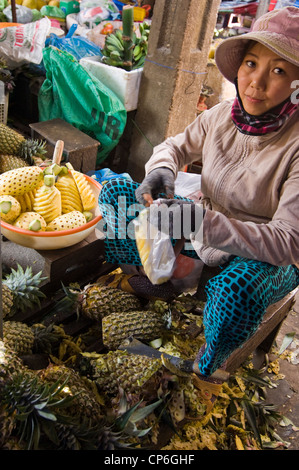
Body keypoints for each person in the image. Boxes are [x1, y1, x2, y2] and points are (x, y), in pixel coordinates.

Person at [98, 7, 299, 394]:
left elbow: (289, 241)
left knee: (236, 289)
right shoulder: (222, 115)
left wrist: (198, 223)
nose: (254, 82)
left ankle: (208, 367)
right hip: (202, 228)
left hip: (263, 257)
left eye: (277, 71)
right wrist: (162, 169)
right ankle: (165, 276)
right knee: (116, 195)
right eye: (251, 63)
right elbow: (174, 146)